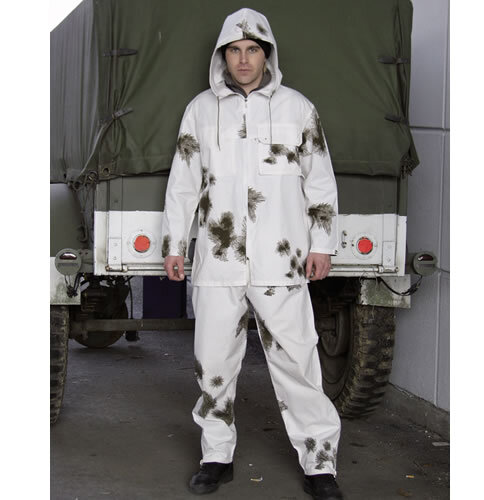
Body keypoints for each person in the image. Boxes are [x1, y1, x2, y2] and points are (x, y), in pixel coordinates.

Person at [162, 7, 343, 500]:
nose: (243, 60)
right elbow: (183, 184)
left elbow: (320, 181)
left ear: (267, 55)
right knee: (213, 363)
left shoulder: (297, 108)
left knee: (298, 364)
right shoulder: (201, 110)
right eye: (235, 51)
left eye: (253, 50)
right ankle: (216, 456)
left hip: (280, 263)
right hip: (217, 262)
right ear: (223, 56)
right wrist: (175, 245)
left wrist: (322, 244)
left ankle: (320, 464)